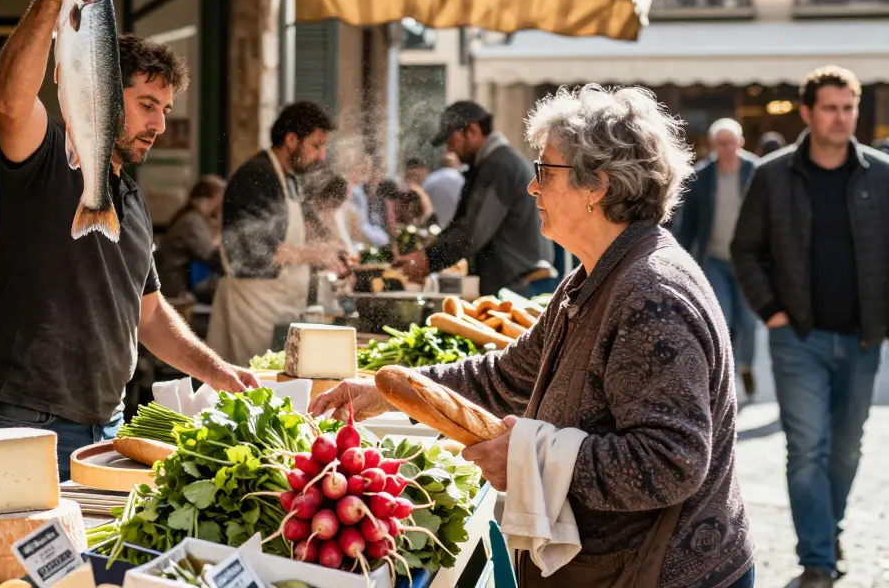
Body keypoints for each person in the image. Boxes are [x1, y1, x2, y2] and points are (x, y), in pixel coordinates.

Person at [314, 86, 755, 588]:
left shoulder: (649, 296)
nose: (532, 187)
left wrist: (528, 456)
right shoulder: (593, 277)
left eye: (546, 171)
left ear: (597, 187)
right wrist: (391, 393)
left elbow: (670, 462)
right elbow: (507, 375)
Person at [0, 0, 258, 476]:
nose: (160, 124)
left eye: (166, 108)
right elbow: (10, 102)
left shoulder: (127, 193)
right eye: (147, 104)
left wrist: (217, 370)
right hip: (24, 419)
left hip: (107, 423)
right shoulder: (49, 155)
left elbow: (148, 315)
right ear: (100, 88)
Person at [732, 65, 888, 588]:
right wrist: (772, 312)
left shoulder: (881, 175)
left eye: (849, 108)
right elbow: (745, 250)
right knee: (807, 449)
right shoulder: (774, 174)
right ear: (807, 113)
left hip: (864, 338)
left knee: (847, 448)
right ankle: (817, 561)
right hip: (798, 338)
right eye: (831, 108)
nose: (842, 118)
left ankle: (828, 527)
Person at [207, 101, 344, 366]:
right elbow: (258, 251)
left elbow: (305, 230)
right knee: (253, 388)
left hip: (279, 306)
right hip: (252, 310)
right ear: (291, 140)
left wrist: (333, 252)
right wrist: (314, 254)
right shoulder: (256, 176)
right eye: (317, 145)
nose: (322, 156)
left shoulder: (290, 177)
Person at [395, 101, 552, 297]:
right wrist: (428, 255)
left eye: (452, 141)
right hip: (514, 282)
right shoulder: (493, 163)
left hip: (518, 287)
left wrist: (428, 258)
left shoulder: (499, 165)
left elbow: (472, 231)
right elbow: (463, 224)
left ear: (472, 130)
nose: (450, 150)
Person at [674, 118, 760, 398]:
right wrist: (681, 258)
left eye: (731, 142)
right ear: (713, 146)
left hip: (748, 262)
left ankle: (747, 364)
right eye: (720, 143)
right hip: (715, 260)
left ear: (741, 142)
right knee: (722, 319)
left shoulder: (756, 172)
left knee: (748, 323)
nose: (726, 148)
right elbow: (687, 224)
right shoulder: (702, 176)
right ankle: (729, 378)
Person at [155, 175, 225, 302]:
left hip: (176, 286)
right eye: (219, 201)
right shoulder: (192, 221)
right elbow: (210, 256)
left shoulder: (193, 219)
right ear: (210, 200)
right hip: (176, 289)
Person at [421, 151, 465, 226]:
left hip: (435, 223)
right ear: (458, 163)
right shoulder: (462, 179)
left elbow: (423, 198)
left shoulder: (431, 178)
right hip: (456, 223)